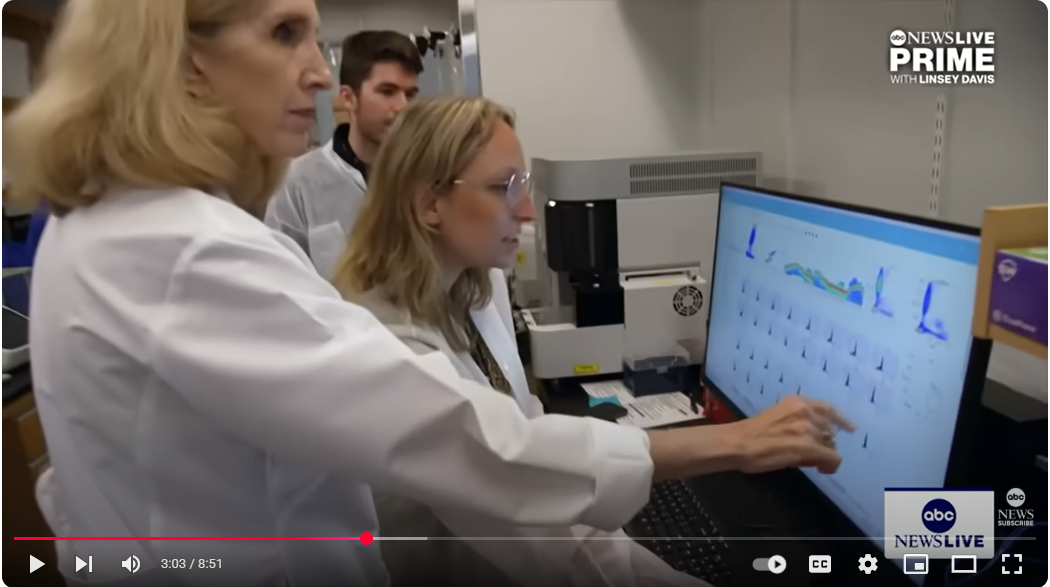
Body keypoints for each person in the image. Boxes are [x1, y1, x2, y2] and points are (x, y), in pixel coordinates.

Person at [3, 1, 853, 586]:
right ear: (183, 62)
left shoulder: (117, 225)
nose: (318, 71)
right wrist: (727, 444)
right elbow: (461, 440)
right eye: (286, 32)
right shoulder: (176, 245)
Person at [332, 96, 709, 587]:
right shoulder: (390, 349)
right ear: (429, 204)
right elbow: (538, 523)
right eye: (504, 187)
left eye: (524, 185)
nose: (528, 211)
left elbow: (523, 424)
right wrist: (733, 443)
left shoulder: (471, 290)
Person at [265, 29, 422, 279]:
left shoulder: (427, 177)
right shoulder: (298, 183)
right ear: (349, 99)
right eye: (387, 92)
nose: (402, 106)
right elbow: (281, 281)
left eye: (410, 94)